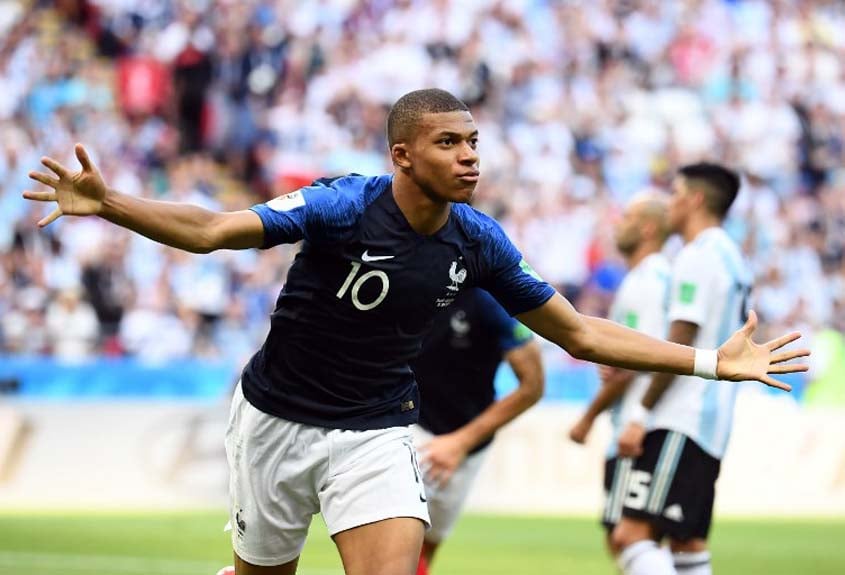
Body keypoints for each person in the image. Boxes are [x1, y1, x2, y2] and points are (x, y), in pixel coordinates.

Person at [23, 89, 808, 575]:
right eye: (448, 143)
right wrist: (114, 201)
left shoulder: (478, 240)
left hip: (377, 429)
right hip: (273, 422)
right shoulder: (339, 206)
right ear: (402, 155)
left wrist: (710, 359)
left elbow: (580, 334)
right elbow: (212, 229)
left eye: (472, 142)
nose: (469, 157)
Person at [611, 163, 761, 575]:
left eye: (675, 193)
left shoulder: (698, 256)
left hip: (683, 415)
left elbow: (679, 343)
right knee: (687, 542)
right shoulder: (732, 256)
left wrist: (640, 413)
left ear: (694, 200)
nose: (669, 204)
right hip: (712, 418)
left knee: (630, 536)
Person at [410, 287, 544, 575]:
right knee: (397, 538)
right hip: (408, 426)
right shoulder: (412, 274)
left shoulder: (492, 299)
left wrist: (460, 443)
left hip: (467, 443)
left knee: (425, 546)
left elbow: (533, 385)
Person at [568, 192, 671, 557]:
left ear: (646, 227)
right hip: (640, 424)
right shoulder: (644, 278)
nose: (617, 224)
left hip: (638, 427)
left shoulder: (650, 280)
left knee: (625, 539)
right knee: (640, 540)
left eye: (626, 217)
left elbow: (639, 358)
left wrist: (587, 417)